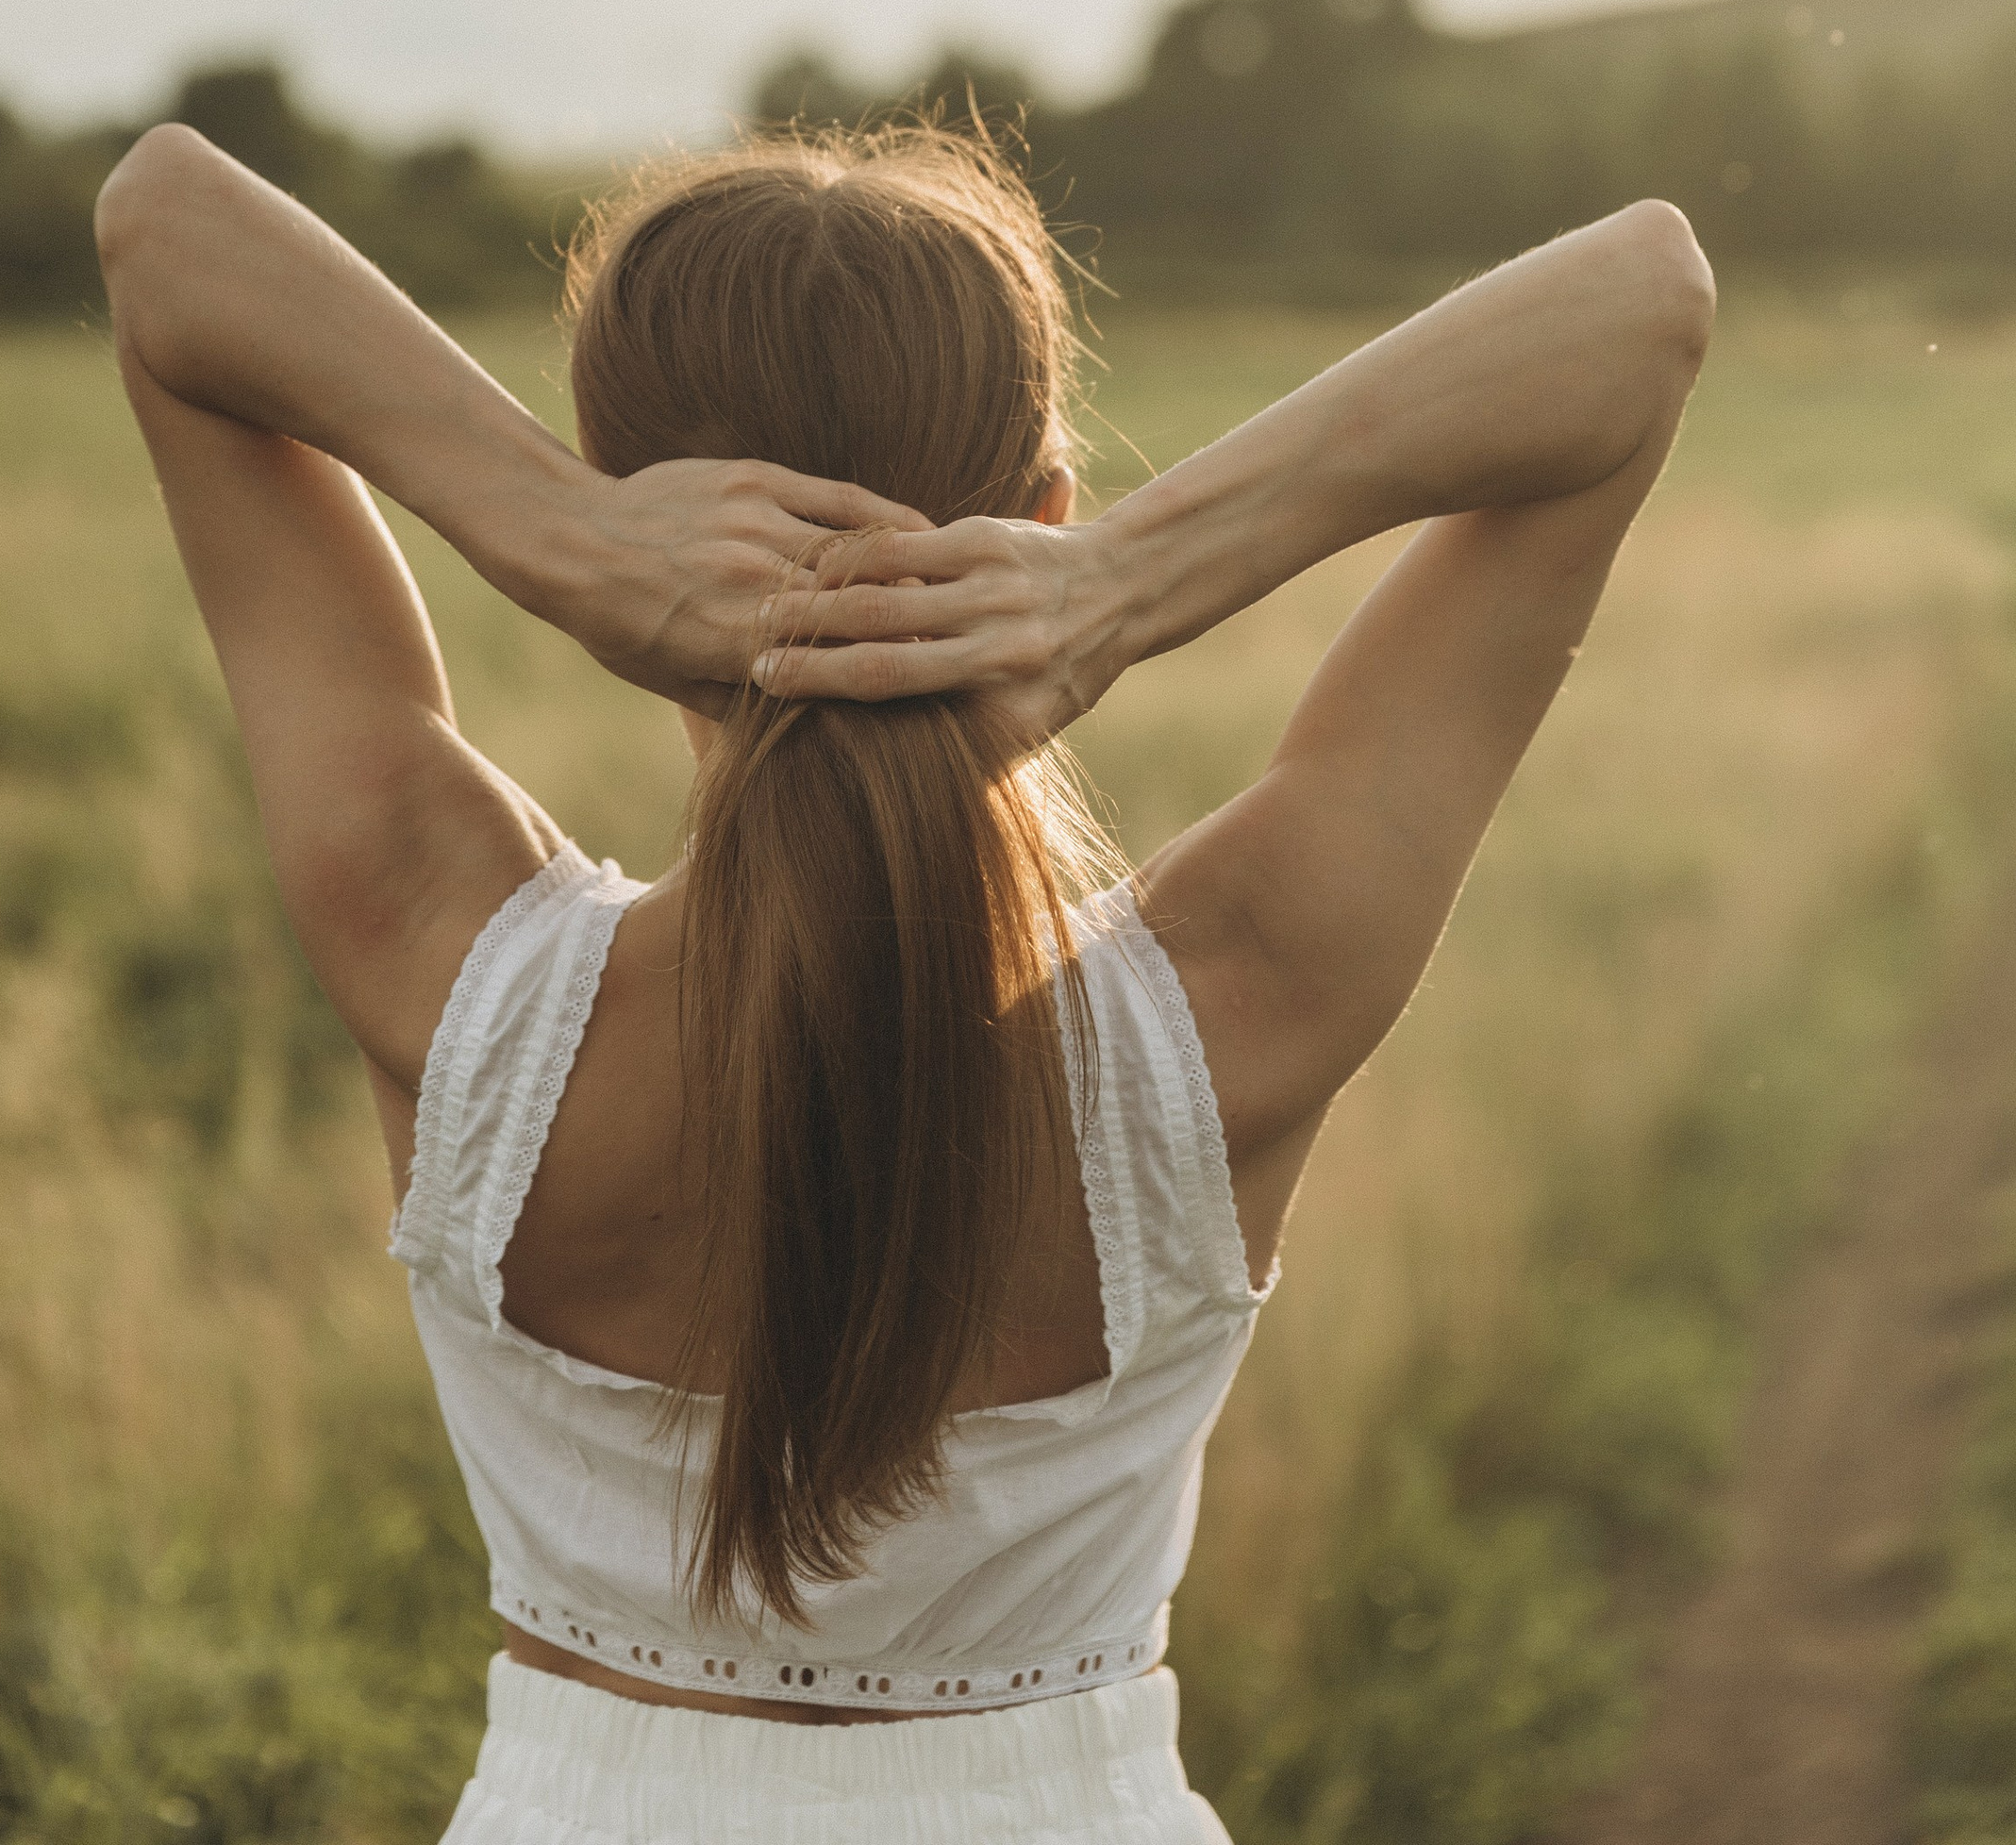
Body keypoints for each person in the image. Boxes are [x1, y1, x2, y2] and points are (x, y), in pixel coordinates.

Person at [95, 118, 1713, 1845]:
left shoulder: (445, 963)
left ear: (636, 493)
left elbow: (163, 229)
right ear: (1044, 506)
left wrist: (549, 527)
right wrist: (1135, 583)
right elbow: (1643, 308)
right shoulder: (1235, 1003)